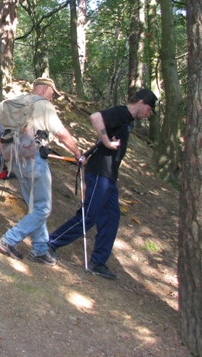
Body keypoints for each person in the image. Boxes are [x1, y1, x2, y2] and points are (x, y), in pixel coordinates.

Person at [48, 89, 157, 279]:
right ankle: (49, 244)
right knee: (89, 215)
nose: (149, 114)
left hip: (109, 177)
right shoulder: (122, 112)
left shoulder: (127, 120)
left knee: (112, 217)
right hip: (100, 173)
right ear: (141, 102)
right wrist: (106, 141)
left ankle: (98, 262)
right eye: (149, 109)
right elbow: (96, 117)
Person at [0, 78, 81, 266]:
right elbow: (61, 134)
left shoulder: (17, 101)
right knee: (42, 209)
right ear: (45, 89)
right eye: (53, 93)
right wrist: (78, 154)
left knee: (34, 208)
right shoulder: (44, 106)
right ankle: (9, 240)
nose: (53, 97)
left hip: (16, 161)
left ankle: (40, 250)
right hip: (35, 160)